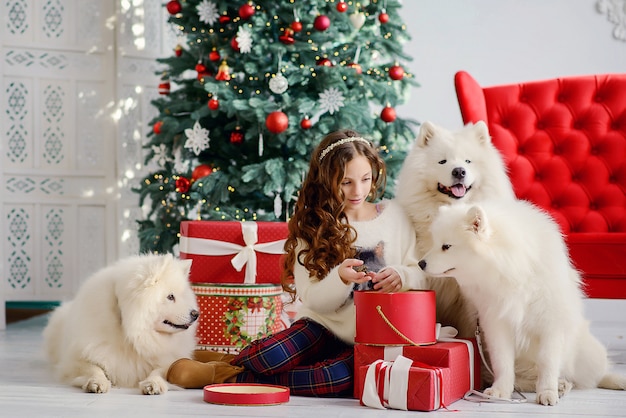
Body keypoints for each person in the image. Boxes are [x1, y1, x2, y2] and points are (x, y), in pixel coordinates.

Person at [166, 129, 424, 396]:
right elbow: (313, 300)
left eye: (366, 179)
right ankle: (226, 364)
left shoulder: (397, 216)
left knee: (335, 380)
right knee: (267, 357)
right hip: (323, 323)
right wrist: (341, 278)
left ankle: (230, 375)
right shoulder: (312, 227)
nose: (358, 191)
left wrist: (403, 275)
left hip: (371, 338)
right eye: (346, 182)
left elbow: (421, 271)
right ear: (326, 179)